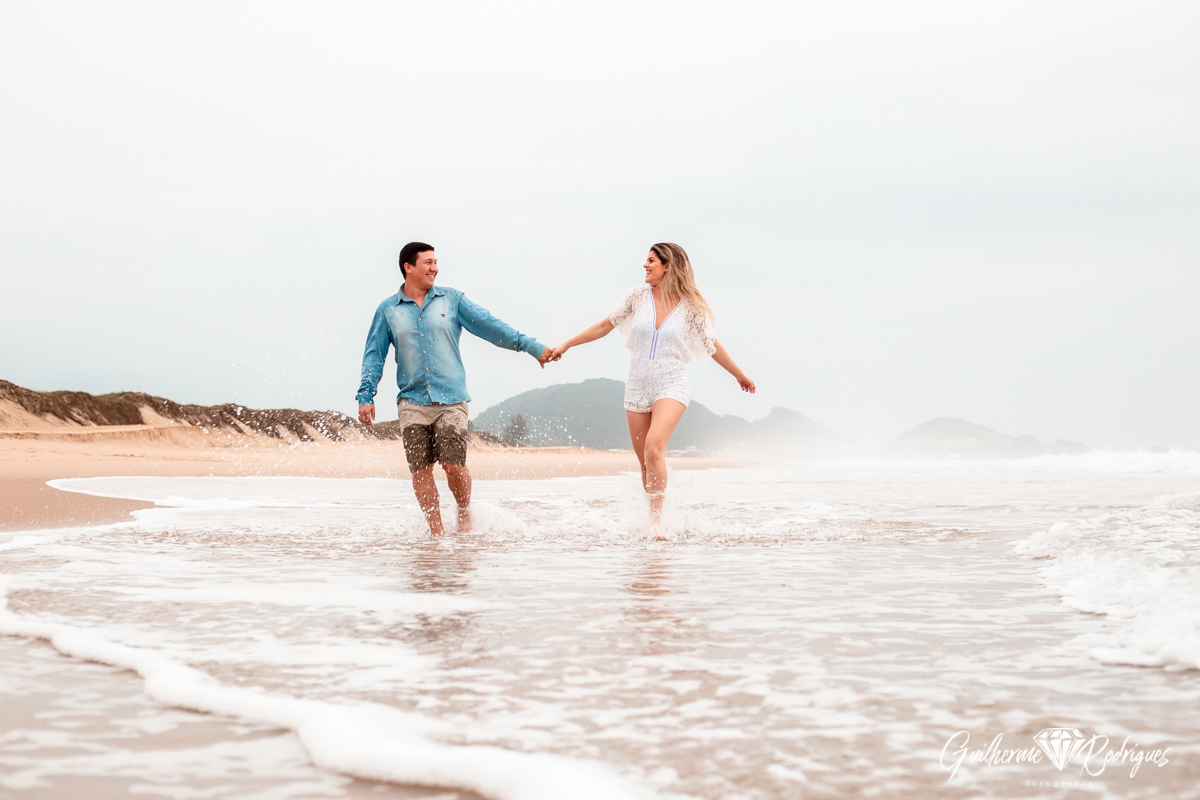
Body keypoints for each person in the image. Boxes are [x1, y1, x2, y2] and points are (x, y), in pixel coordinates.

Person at [546, 243, 755, 538]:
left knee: (654, 449)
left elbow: (713, 345)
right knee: (644, 462)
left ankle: (657, 523)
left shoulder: (692, 308)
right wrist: (565, 344)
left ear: (668, 266)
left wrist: (740, 375)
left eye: (651, 261)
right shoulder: (636, 298)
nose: (645, 266)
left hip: (671, 383)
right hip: (637, 384)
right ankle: (652, 517)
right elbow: (605, 325)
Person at [357, 242, 553, 534]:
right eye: (428, 262)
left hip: (451, 399)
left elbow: (491, 327)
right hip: (411, 401)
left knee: (454, 466)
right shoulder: (388, 310)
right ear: (408, 267)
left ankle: (463, 513)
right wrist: (366, 395)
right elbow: (374, 355)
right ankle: (436, 533)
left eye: (436, 262)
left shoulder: (451, 300)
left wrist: (531, 346)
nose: (435, 268)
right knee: (420, 470)